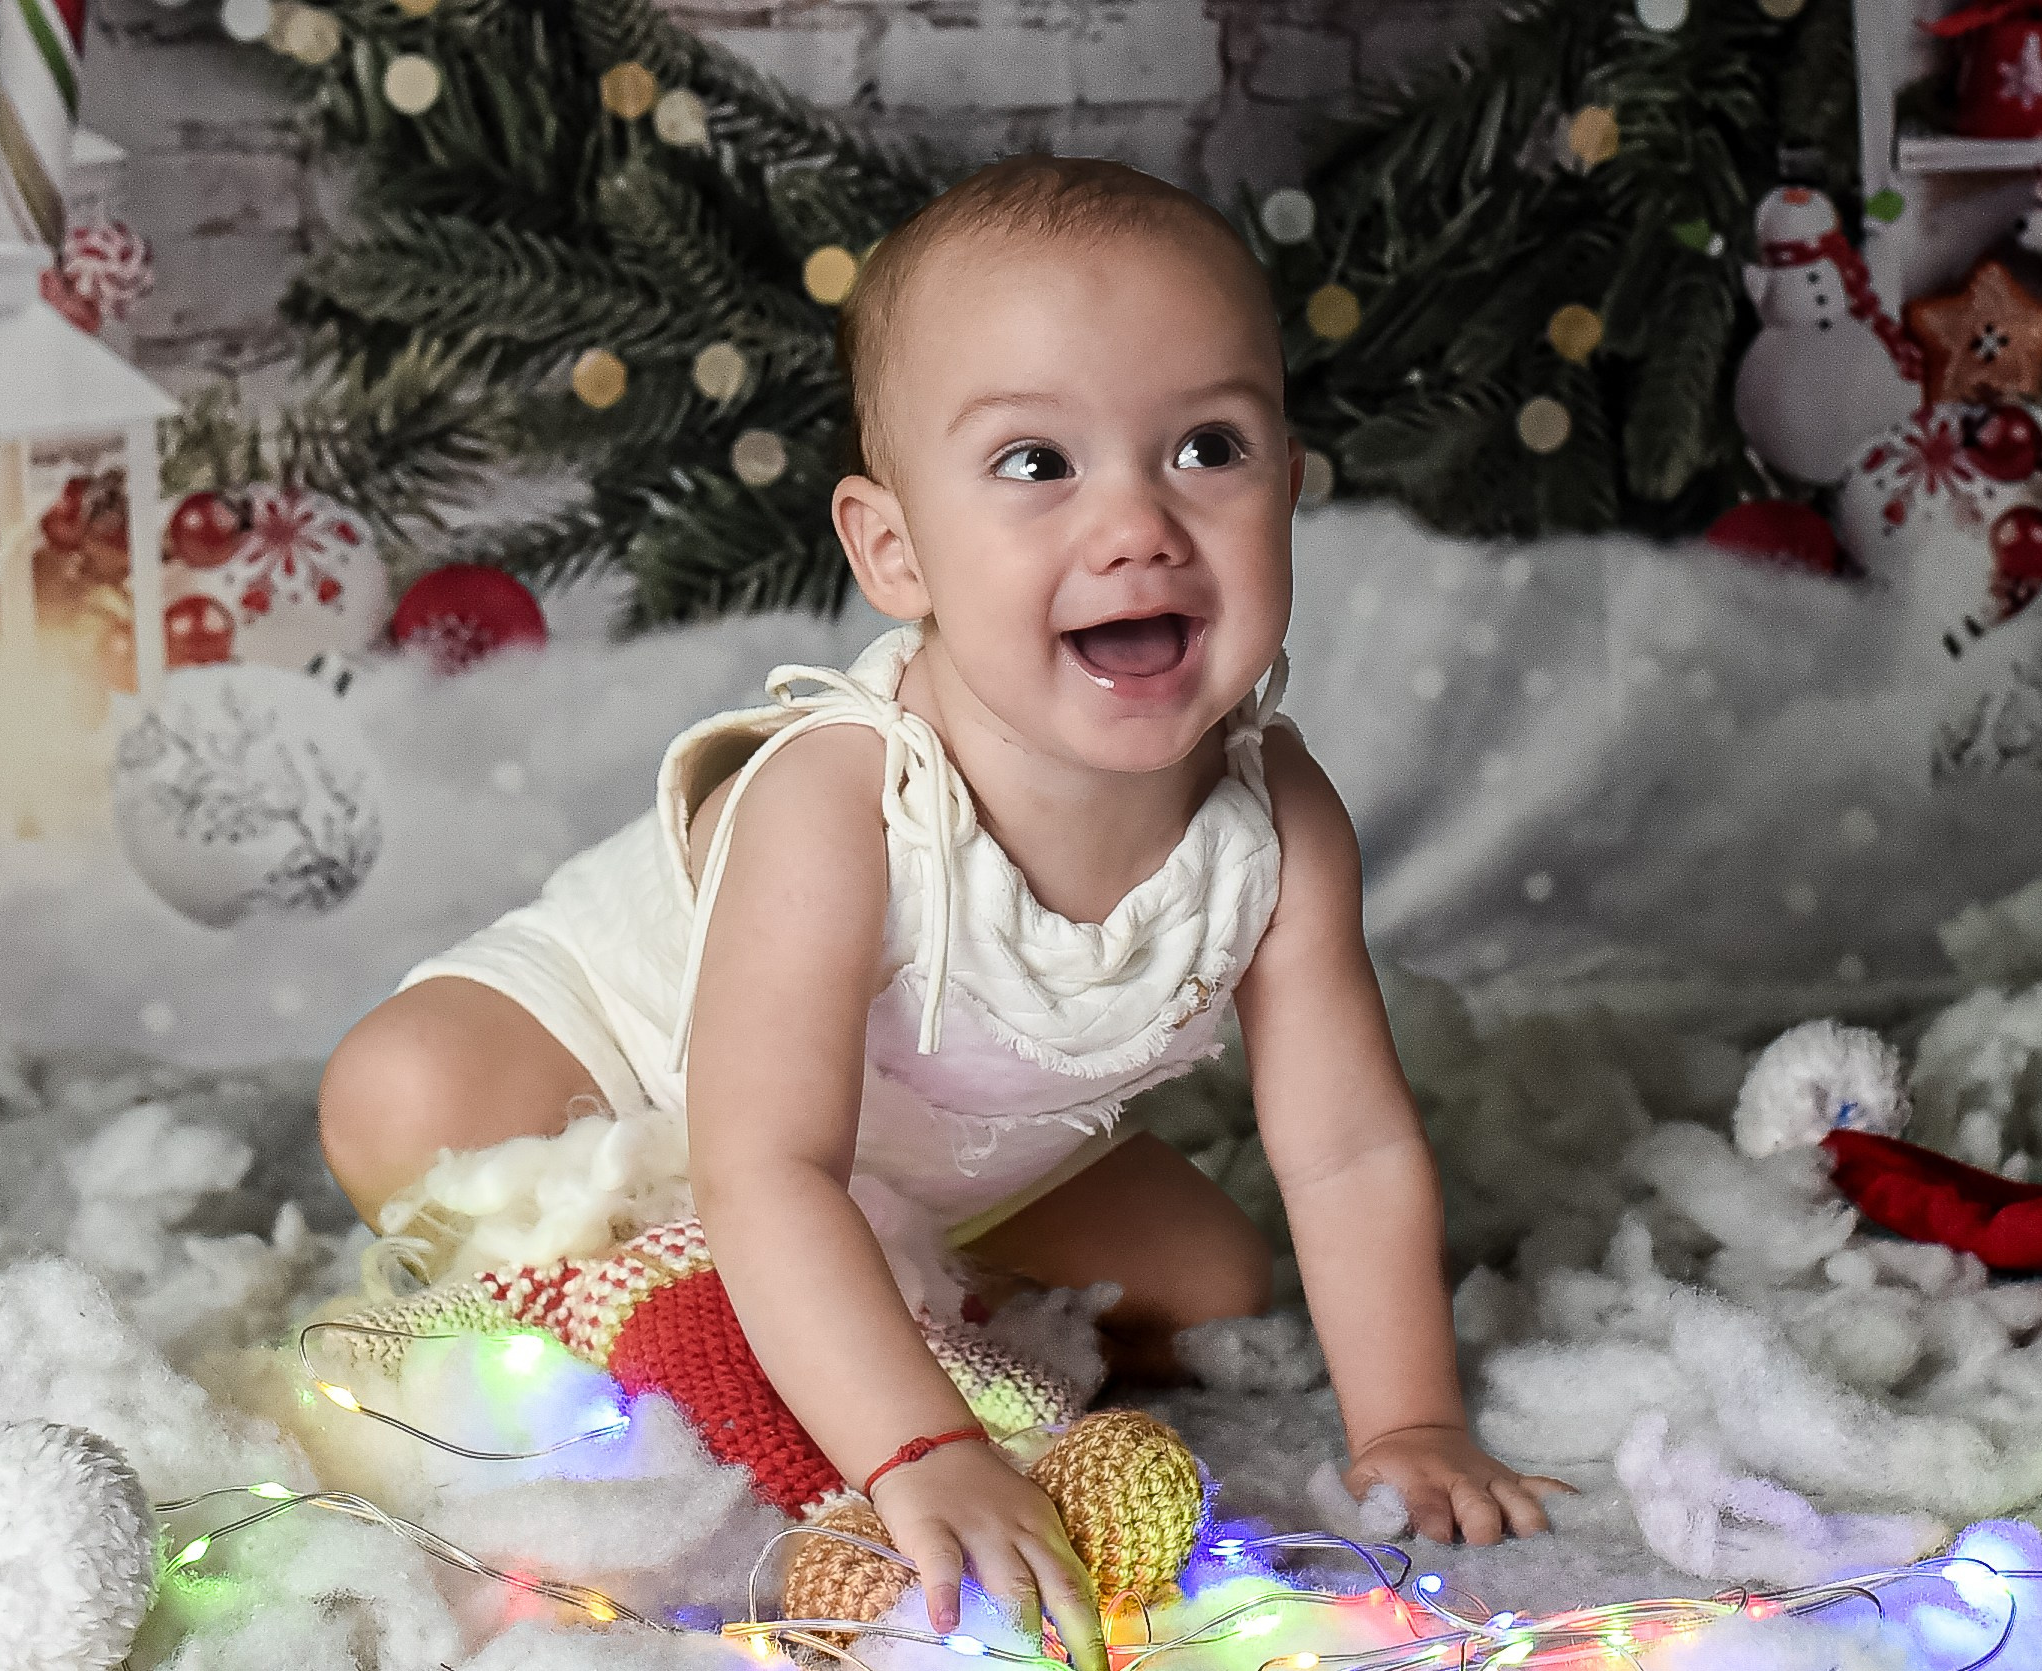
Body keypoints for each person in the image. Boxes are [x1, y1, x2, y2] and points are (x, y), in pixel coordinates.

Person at [319, 153, 1569, 1671]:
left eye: (1208, 448)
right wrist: (918, 1447)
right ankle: (657, 1281)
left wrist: (1413, 1417)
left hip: (934, 1155)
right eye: (1038, 464)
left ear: (1292, 488)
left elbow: (1351, 1145)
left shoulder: (1280, 822)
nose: (1139, 525)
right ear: (893, 550)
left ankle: (861, 1288)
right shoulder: (844, 799)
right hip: (638, 1071)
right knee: (400, 1101)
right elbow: (769, 1157)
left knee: (1213, 1282)